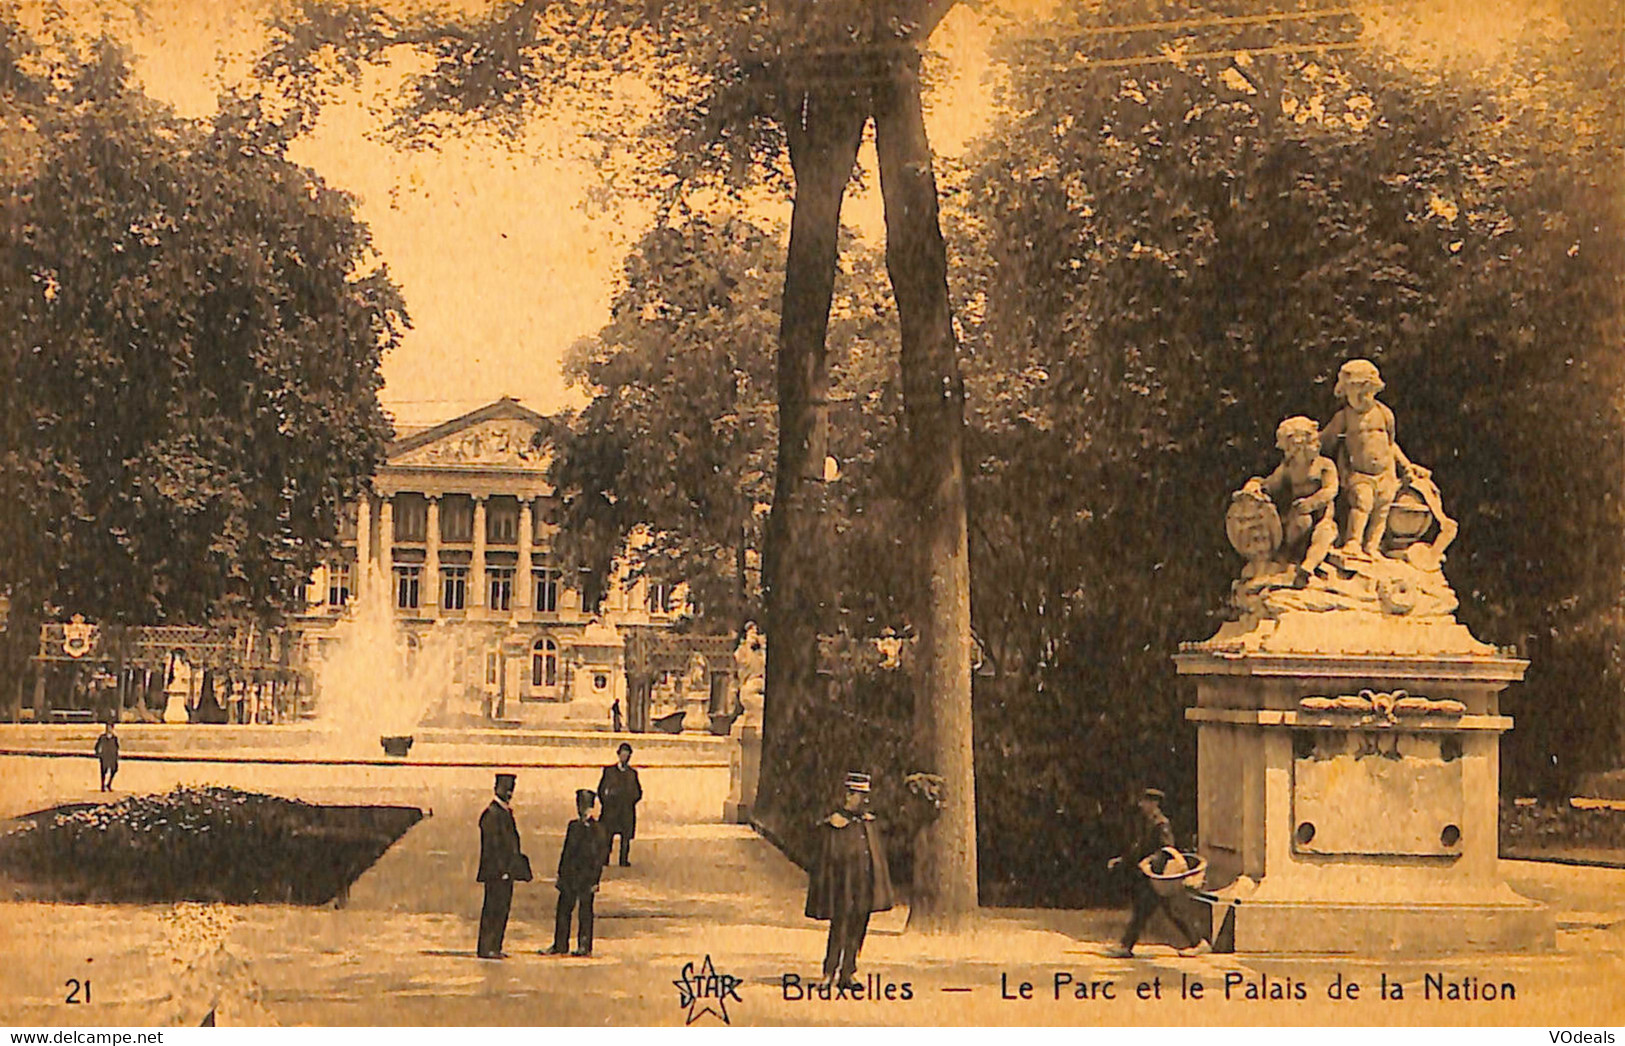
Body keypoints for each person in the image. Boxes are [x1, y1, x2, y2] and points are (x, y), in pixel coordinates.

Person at [1319, 359, 1429, 558]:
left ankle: (1372, 546)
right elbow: (1324, 442)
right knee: (1362, 502)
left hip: (1386, 473)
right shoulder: (1344, 418)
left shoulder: (1384, 414)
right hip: (1359, 474)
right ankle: (1353, 542)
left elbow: (1390, 445)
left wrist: (1406, 466)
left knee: (1382, 509)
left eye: (1364, 392)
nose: (1360, 398)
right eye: (1353, 393)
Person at [805, 772, 894, 990]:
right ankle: (829, 972)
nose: (862, 800)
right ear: (847, 795)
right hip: (843, 885)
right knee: (840, 928)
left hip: (864, 885)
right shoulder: (835, 824)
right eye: (857, 795)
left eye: (864, 795)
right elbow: (827, 860)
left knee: (858, 927)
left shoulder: (868, 823)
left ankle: (848, 972)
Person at [1105, 788, 1209, 959]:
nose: (1141, 805)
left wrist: (1150, 861)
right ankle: (1198, 942)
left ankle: (1126, 946)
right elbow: (1139, 849)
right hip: (1151, 875)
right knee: (1158, 911)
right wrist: (1121, 861)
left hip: (1159, 875)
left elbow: (1167, 848)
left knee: (1150, 910)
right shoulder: (1148, 822)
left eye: (1145, 802)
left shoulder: (1161, 824)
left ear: (1154, 804)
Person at [1242, 416, 1340, 588]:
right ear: (1296, 445)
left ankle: (1308, 567)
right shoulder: (1289, 468)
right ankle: (1290, 561)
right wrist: (1255, 484)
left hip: (1322, 516)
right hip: (1299, 517)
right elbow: (1271, 484)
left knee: (1324, 535)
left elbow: (1331, 490)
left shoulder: (1325, 465)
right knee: (1299, 524)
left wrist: (1311, 503)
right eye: (1312, 441)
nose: (1317, 445)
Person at [476, 772, 531, 959]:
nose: (509, 793)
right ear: (496, 789)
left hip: (506, 871)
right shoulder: (491, 814)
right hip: (496, 872)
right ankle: (486, 947)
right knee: (493, 908)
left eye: (511, 789)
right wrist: (502, 870)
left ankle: (495, 946)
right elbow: (492, 847)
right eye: (506, 789)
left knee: (502, 909)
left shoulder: (504, 813)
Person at [549, 788, 607, 957]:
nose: (581, 809)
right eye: (579, 805)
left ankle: (584, 945)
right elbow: (566, 852)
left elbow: (599, 858)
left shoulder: (597, 829)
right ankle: (560, 944)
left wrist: (596, 880)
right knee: (563, 910)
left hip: (586, 877)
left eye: (584, 805)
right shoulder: (573, 826)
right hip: (570, 876)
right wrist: (561, 874)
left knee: (585, 912)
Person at [597, 743, 643, 867]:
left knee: (626, 836)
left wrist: (631, 801)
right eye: (622, 754)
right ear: (618, 755)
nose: (624, 757)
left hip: (626, 809)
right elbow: (601, 789)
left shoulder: (632, 774)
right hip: (611, 809)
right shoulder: (609, 771)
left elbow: (638, 792)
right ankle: (605, 858)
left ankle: (623, 859)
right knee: (608, 835)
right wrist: (605, 803)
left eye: (627, 755)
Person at [93, 721, 119, 792]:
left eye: (110, 728)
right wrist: (98, 753)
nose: (109, 729)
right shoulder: (102, 737)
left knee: (114, 770)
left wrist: (116, 756)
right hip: (105, 756)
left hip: (112, 756)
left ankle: (109, 784)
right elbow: (97, 746)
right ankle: (102, 785)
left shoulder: (114, 738)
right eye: (107, 727)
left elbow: (117, 747)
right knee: (103, 771)